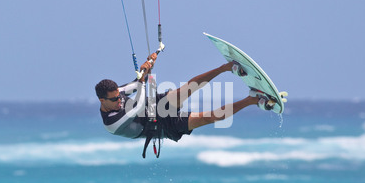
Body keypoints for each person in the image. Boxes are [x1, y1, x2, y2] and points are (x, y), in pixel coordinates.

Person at [95, 52, 275, 156]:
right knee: (207, 118)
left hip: (150, 107)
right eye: (114, 99)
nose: (119, 100)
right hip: (157, 127)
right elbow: (138, 104)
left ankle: (227, 68)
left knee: (187, 89)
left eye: (119, 96)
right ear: (102, 101)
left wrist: (147, 68)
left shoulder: (115, 94)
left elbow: (136, 84)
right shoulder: (112, 124)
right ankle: (252, 100)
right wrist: (145, 79)